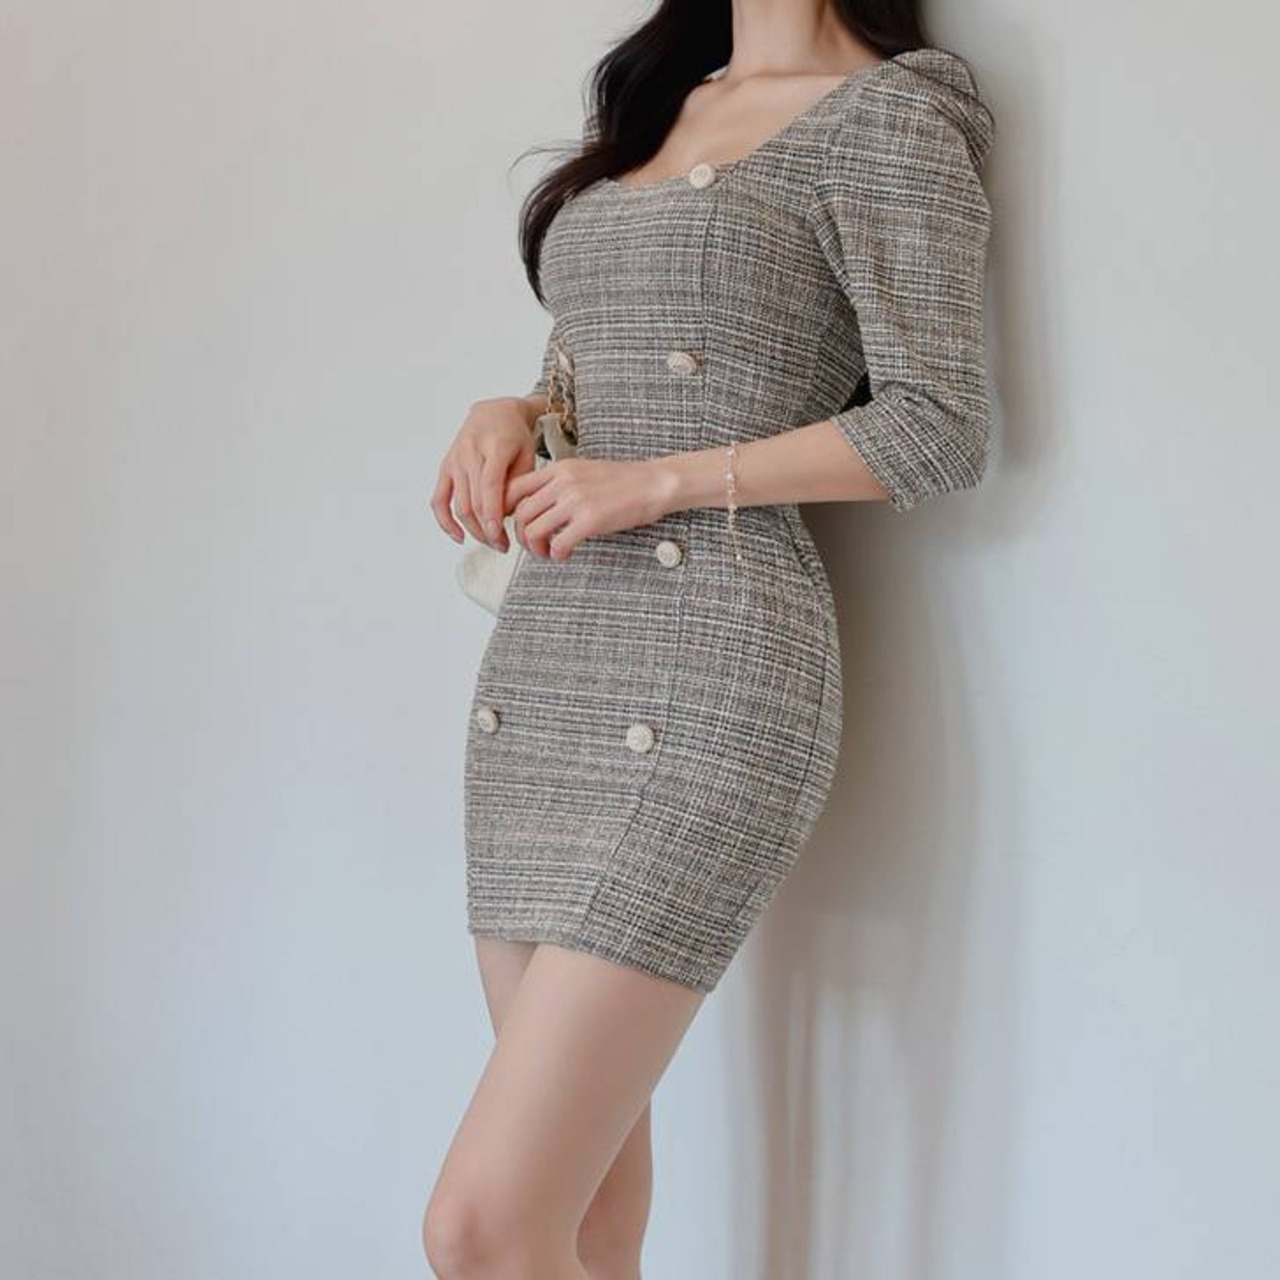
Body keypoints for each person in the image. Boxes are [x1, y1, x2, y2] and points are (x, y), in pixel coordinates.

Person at [426, 1, 996, 1275]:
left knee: (481, 1225)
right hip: (546, 659)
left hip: (710, 664)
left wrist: (662, 481)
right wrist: (511, 407)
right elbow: (606, 364)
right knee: (583, 1219)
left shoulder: (891, 115)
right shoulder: (661, 97)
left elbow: (937, 424)